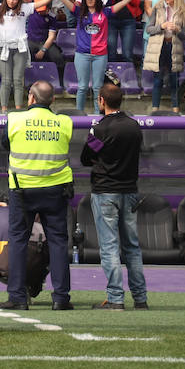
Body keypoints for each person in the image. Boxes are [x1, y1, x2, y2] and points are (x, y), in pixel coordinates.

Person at [2, 80, 74, 311]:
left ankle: (17, 297)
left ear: (30, 98)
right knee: (58, 242)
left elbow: (6, 144)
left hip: (22, 189)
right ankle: (61, 298)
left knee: (18, 241)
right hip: (56, 190)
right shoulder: (64, 122)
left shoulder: (14, 119)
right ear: (53, 100)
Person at [80, 82, 147, 310]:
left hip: (105, 191)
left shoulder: (98, 129)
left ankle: (116, 298)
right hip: (129, 191)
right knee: (132, 247)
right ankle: (140, 298)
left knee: (109, 247)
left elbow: (85, 157)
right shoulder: (134, 126)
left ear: (101, 101)